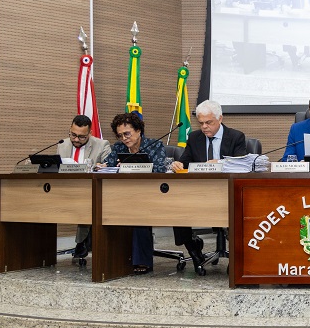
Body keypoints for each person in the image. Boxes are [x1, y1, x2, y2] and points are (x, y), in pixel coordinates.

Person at [171, 100, 247, 275]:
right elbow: (185, 161)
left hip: (227, 192)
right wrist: (177, 164)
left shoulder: (236, 137)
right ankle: (193, 249)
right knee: (175, 206)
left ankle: (236, 257)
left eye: (208, 122)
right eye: (201, 123)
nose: (204, 127)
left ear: (220, 119)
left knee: (238, 207)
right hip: (200, 192)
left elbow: (241, 164)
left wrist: (220, 163)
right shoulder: (195, 138)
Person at [103, 112, 167, 275]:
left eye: (127, 133)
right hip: (124, 193)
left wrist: (137, 163)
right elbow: (109, 167)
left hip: (150, 193)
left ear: (138, 130)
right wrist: (106, 166)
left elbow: (161, 169)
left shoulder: (154, 145)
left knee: (138, 212)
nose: (124, 138)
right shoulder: (118, 147)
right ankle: (116, 257)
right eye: (120, 135)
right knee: (107, 210)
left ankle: (142, 260)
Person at [57, 114, 111, 259]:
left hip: (92, 191)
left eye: (81, 137)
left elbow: (110, 168)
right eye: (73, 135)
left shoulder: (102, 145)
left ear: (90, 133)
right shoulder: (62, 144)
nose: (76, 139)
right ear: (70, 129)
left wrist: (102, 166)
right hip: (66, 189)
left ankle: (81, 243)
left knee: (86, 203)